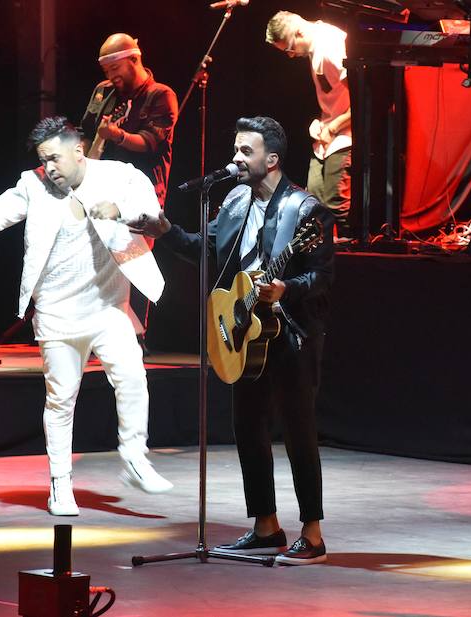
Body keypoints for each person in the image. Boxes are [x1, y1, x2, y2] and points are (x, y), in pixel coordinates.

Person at [0, 116, 173, 517]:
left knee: (132, 376)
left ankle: (135, 456)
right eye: (45, 162)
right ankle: (60, 484)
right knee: (61, 399)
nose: (51, 169)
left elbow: (156, 219)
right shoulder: (34, 185)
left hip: (108, 306)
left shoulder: (121, 177)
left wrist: (122, 211)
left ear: (78, 150)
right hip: (57, 312)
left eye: (56, 159)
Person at [134, 116, 335, 565]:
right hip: (243, 329)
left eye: (247, 152)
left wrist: (287, 287)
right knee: (247, 426)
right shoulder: (234, 200)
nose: (236, 159)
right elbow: (203, 250)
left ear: (273, 159)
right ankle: (266, 526)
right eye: (236, 150)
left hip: (292, 332)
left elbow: (323, 277)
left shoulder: (305, 211)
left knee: (299, 430)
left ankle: (313, 535)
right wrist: (164, 231)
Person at [81, 33, 179, 339]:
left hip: (141, 194)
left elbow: (151, 143)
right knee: (95, 264)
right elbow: (85, 131)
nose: (110, 77)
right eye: (106, 71)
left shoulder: (161, 95)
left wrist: (119, 136)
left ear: (134, 59)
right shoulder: (104, 92)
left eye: (115, 69)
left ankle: (134, 340)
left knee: (132, 265)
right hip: (99, 192)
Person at [266, 11, 352, 240]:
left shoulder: (331, 47)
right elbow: (333, 96)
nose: (291, 56)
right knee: (313, 200)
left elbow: (362, 97)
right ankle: (322, 255)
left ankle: (347, 257)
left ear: (300, 32)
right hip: (329, 133)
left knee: (334, 202)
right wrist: (321, 122)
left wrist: (334, 126)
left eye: (289, 49)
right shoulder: (316, 49)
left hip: (346, 133)